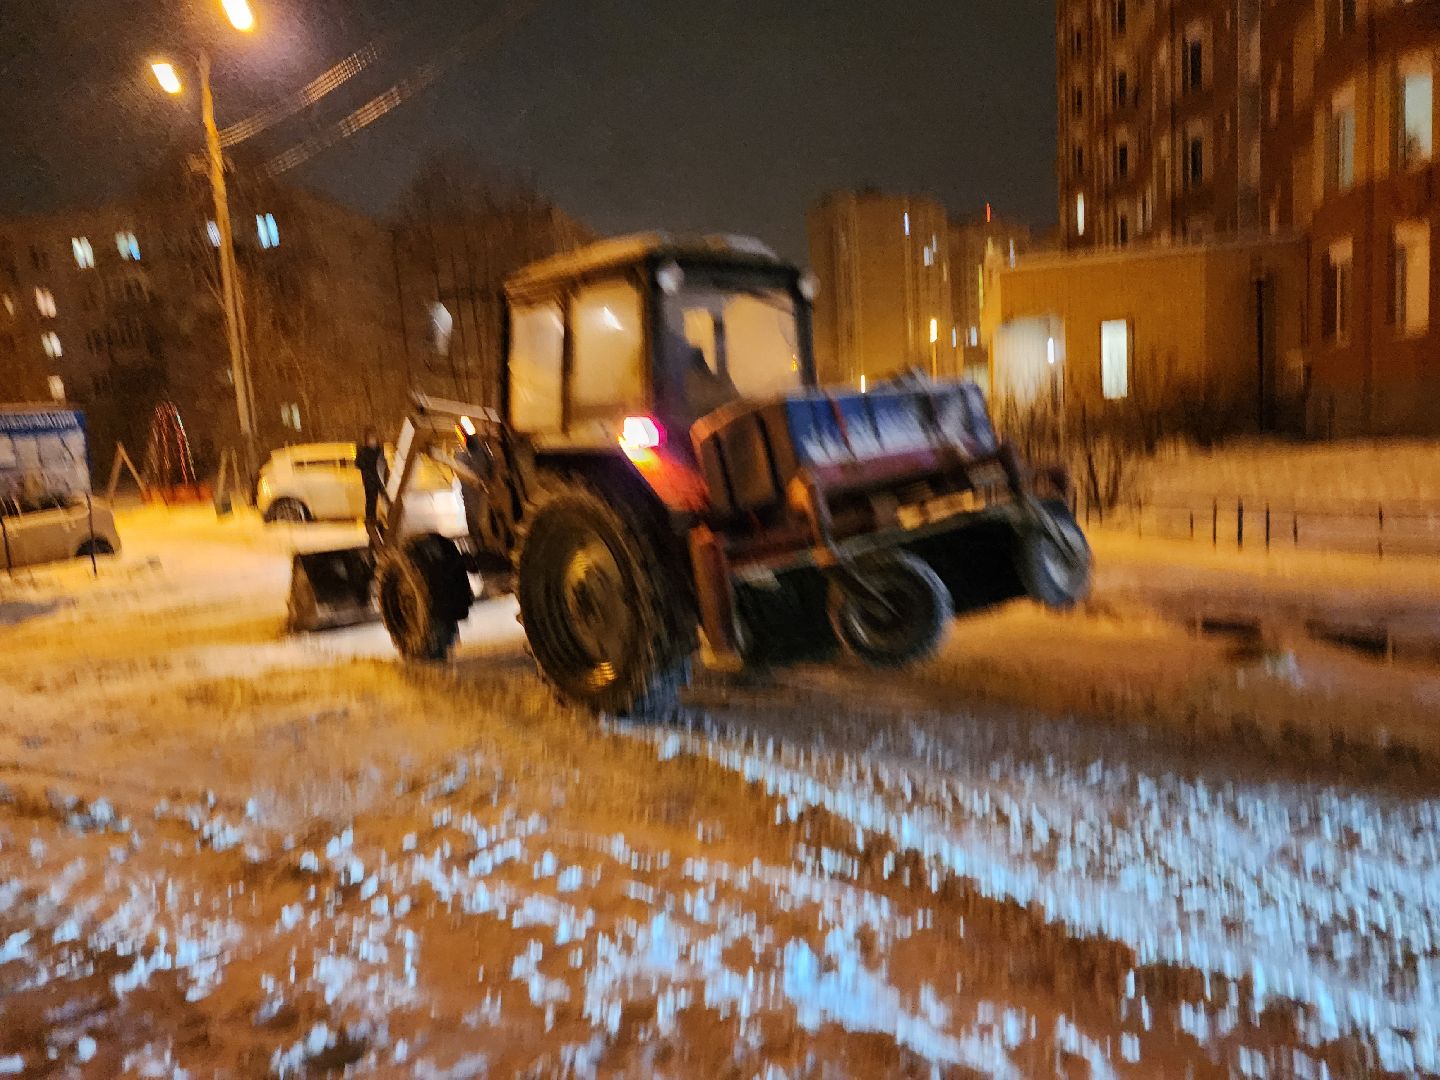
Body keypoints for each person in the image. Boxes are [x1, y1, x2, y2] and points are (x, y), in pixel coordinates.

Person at [354, 429, 387, 537]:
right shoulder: (364, 451)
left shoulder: (379, 450)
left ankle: (380, 519)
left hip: (379, 479)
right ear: (367, 440)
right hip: (369, 480)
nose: (372, 441)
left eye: (373, 439)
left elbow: (383, 463)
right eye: (370, 439)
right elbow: (358, 464)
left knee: (381, 499)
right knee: (371, 500)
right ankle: (370, 520)